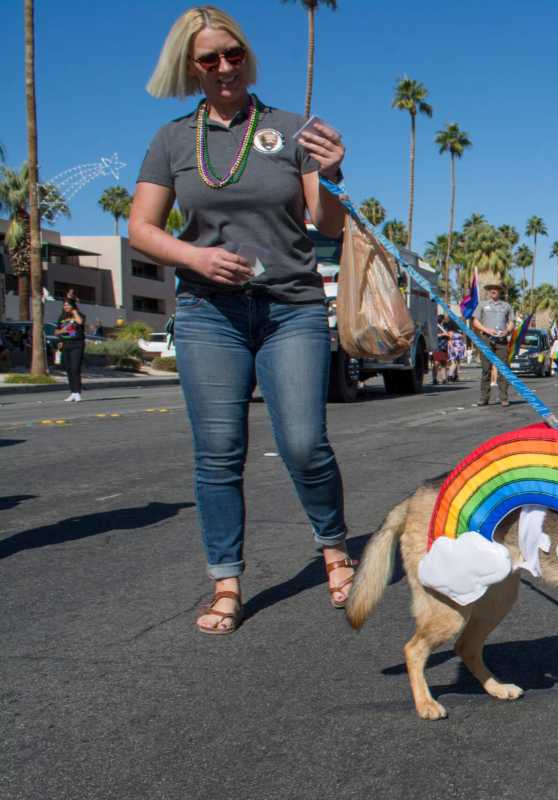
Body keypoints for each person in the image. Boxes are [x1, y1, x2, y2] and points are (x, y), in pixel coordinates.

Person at [128, 6, 352, 634]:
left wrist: (331, 173)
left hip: (292, 307)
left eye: (233, 55)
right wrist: (194, 255)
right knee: (219, 453)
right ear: (191, 66)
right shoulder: (172, 139)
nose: (224, 67)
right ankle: (225, 581)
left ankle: (334, 546)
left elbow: (327, 226)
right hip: (208, 313)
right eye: (209, 59)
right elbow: (141, 228)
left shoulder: (290, 129)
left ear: (246, 57)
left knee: (305, 444)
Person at [472, 283, 513, 406]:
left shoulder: (506, 306)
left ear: (500, 292)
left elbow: (511, 322)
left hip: (502, 341)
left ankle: (504, 398)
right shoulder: (482, 305)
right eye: (491, 289)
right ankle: (484, 398)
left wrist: (507, 331)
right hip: (486, 339)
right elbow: (475, 322)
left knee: (503, 369)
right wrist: (486, 330)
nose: (493, 291)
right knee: (486, 369)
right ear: (489, 292)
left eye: (496, 289)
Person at [55, 293, 86, 402]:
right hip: (65, 345)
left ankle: (77, 392)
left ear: (72, 305)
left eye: (68, 305)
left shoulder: (79, 314)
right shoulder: (61, 317)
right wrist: (62, 331)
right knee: (68, 369)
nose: (66, 307)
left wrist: (74, 312)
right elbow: (56, 331)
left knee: (75, 368)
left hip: (77, 345)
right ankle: (72, 392)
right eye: (64, 305)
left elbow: (80, 322)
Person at [432, 314, 451, 385]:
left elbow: (448, 335)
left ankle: (444, 379)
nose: (446, 320)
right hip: (437, 346)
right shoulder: (435, 326)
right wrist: (443, 335)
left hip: (444, 346)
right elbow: (434, 336)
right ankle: (434, 378)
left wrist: (448, 336)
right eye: (444, 319)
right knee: (436, 363)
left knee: (444, 363)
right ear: (442, 319)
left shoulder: (445, 326)